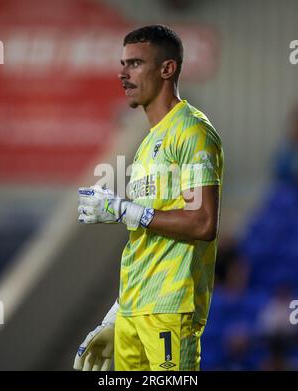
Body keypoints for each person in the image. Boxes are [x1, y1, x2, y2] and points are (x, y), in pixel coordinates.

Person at [73, 25, 224, 371]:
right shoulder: (146, 144)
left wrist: (127, 210)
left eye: (135, 64)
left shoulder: (192, 132)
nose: (122, 74)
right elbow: (146, 243)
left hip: (169, 310)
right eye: (123, 64)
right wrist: (115, 315)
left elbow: (203, 223)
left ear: (167, 69)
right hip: (132, 312)